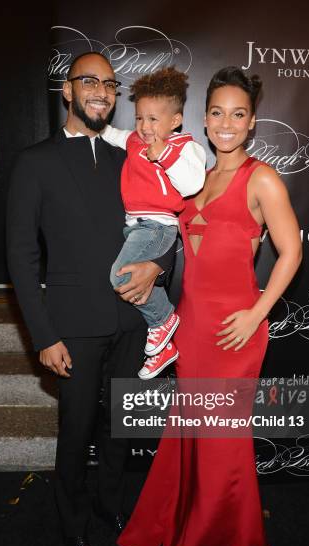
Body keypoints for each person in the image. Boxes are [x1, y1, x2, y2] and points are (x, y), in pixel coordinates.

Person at [117, 67, 303, 546]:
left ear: (252, 123)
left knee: (221, 440)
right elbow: (172, 241)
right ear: (203, 119)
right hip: (191, 324)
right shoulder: (192, 176)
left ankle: (219, 540)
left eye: (237, 114)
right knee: (189, 429)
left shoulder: (260, 178)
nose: (226, 123)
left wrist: (256, 314)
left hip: (236, 328)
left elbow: (291, 252)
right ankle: (176, 522)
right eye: (217, 112)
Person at [6, 52, 176, 546]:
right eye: (89, 81)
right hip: (72, 325)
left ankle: (110, 504)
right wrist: (44, 334)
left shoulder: (134, 155)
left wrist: (159, 266)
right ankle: (73, 525)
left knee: (121, 425)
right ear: (67, 90)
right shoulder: (35, 161)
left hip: (132, 318)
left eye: (108, 82)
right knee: (76, 432)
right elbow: (20, 256)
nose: (101, 90)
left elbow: (165, 223)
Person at [102, 67, 206, 380]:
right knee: (127, 281)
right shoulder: (134, 140)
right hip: (136, 227)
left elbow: (191, 184)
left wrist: (164, 155)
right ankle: (163, 345)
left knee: (119, 277)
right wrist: (93, 125)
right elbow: (110, 134)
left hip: (158, 227)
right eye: (139, 118)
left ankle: (162, 321)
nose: (145, 127)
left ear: (175, 120)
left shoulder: (185, 146)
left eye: (153, 119)